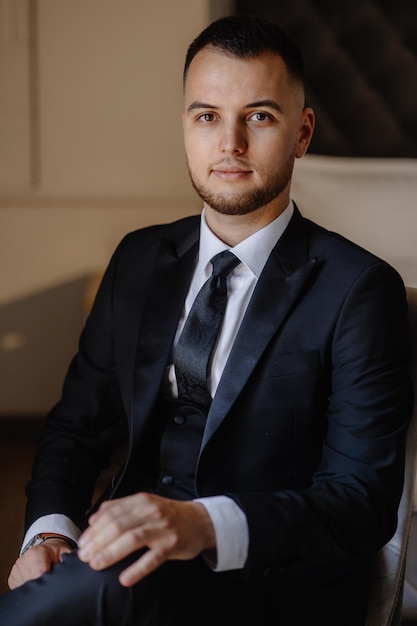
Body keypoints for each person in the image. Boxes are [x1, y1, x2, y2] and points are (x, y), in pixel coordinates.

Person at [0, 14, 413, 626]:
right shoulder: (138, 257)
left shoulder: (360, 288)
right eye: (207, 116)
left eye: (260, 117)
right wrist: (48, 534)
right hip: (118, 558)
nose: (230, 144)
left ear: (302, 134)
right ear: (185, 128)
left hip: (268, 581)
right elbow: (74, 429)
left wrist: (200, 523)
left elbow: (360, 503)